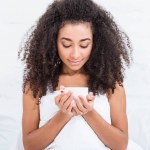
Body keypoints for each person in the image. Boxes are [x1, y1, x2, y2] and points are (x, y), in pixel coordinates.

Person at [18, 0, 143, 150]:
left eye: (84, 45)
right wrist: (63, 115)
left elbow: (120, 145)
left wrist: (89, 112)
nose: (75, 54)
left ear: (95, 43)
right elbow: (30, 146)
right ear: (53, 41)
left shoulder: (111, 84)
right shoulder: (36, 84)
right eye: (66, 44)